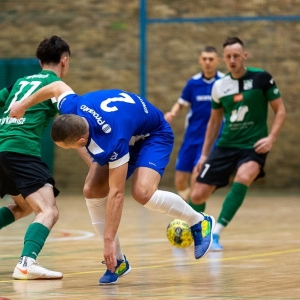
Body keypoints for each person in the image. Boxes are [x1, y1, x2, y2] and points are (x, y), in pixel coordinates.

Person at [10, 82, 216, 285]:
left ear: (81, 141)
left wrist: (108, 241)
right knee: (91, 189)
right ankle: (117, 261)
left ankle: (199, 221)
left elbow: (117, 193)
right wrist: (23, 105)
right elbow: (55, 86)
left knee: (142, 193)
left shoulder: (111, 142)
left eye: (67, 147)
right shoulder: (72, 107)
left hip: (153, 135)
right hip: (126, 131)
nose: (67, 149)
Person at [190, 37, 286, 251]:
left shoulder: (262, 78)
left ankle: (215, 234)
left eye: (236, 56)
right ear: (223, 59)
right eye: (228, 57)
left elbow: (280, 110)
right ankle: (197, 231)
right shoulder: (219, 86)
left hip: (253, 145)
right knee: (197, 194)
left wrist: (271, 138)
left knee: (244, 176)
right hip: (226, 145)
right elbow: (214, 122)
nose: (232, 60)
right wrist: (204, 155)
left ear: (244, 56)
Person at [0, 35, 73, 279]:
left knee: (22, 206)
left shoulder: (19, 83)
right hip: (22, 151)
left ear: (39, 60)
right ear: (64, 61)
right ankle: (26, 263)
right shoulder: (56, 87)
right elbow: (74, 126)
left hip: (2, 147)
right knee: (48, 211)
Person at [164, 46, 224, 212]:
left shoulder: (224, 82)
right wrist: (172, 112)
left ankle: (194, 217)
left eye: (211, 59)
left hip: (211, 139)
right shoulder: (193, 83)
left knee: (197, 176)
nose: (207, 62)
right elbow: (181, 102)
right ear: (200, 60)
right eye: (204, 59)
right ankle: (190, 209)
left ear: (217, 61)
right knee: (180, 181)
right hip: (191, 137)